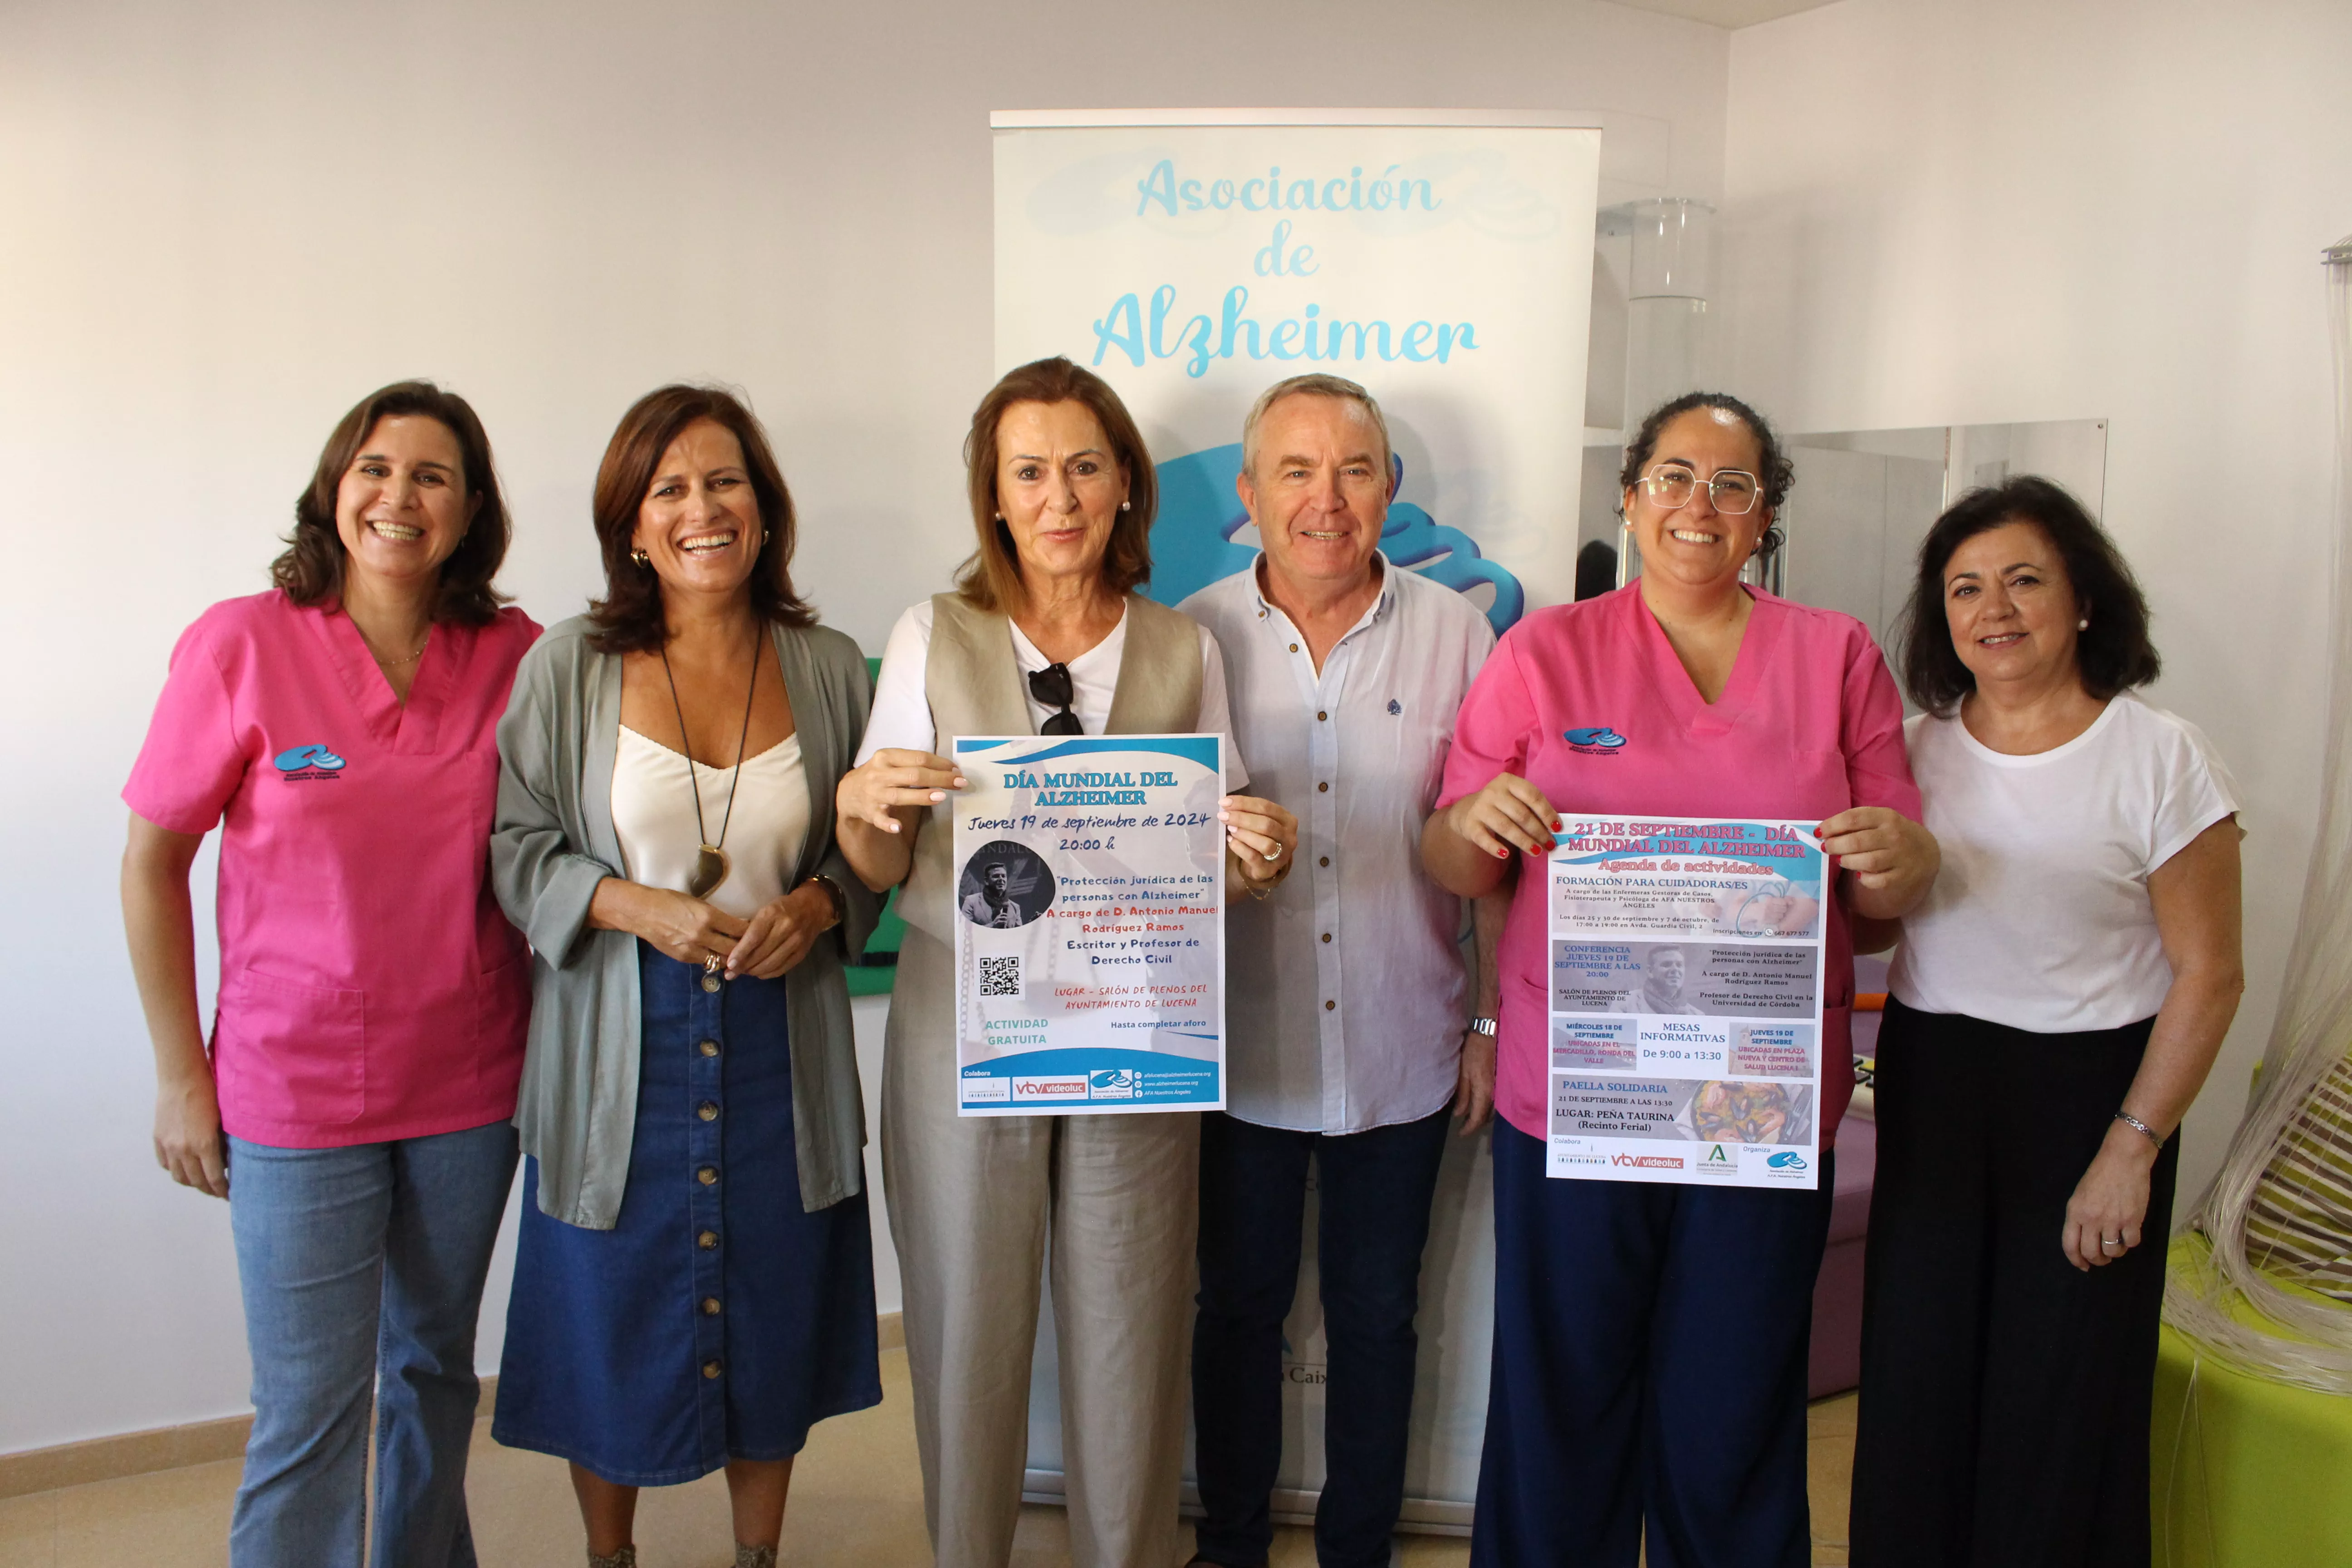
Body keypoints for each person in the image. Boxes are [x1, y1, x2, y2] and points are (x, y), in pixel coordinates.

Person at [1421, 391, 1941, 1568]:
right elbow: (1451, 857)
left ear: (1765, 518)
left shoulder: (1836, 656)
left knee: (1735, 1402)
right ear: (1630, 492)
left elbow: (1882, 905)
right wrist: (1475, 821)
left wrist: (1909, 863)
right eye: (1673, 476)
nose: (1698, 506)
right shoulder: (1546, 652)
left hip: (1756, 1101)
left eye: (1733, 485)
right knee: (1564, 1397)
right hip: (1580, 1097)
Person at [835, 355, 1299, 1568]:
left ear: (1125, 487)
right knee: (967, 1329)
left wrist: (1257, 852)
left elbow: (1223, 843)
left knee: (1131, 1328)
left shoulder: (1181, 646)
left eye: (1085, 467)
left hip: (1134, 1030)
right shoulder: (931, 634)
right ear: (992, 494)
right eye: (1029, 471)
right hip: (965, 1023)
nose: (1060, 497)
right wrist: (866, 804)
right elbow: (877, 865)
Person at [120, 381, 537, 1567]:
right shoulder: (241, 646)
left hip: (470, 1086)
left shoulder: (514, 654)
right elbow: (152, 866)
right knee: (310, 1407)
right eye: (376, 469)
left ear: (468, 511)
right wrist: (178, 1075)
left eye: (432, 476)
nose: (399, 497)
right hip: (295, 1098)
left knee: (434, 1375)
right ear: (334, 489)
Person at [488, 386, 883, 1568]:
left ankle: (756, 1553)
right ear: (631, 525)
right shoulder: (570, 665)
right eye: (670, 489)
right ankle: (612, 1557)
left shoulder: (825, 667)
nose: (702, 509)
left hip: (782, 1044)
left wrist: (818, 906)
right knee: (609, 1311)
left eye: (726, 483)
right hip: (618, 1048)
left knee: (773, 1306)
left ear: (764, 512)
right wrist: (629, 904)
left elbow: (868, 859)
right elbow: (516, 851)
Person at [1850, 477, 2244, 1568]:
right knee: (1917, 1374)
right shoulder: (1912, 751)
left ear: (2081, 600)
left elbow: (2209, 974)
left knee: (2059, 1393)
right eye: (1965, 586)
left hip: (2093, 1099)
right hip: (1936, 1079)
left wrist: (2131, 1146)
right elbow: (1875, 934)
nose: (1995, 606)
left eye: (2024, 578)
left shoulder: (2158, 754)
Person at [1173, 373, 1499, 1568]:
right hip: (1233, 1050)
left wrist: (1493, 1025)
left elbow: (1494, 844)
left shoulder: (1458, 631)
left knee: (1378, 1317)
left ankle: (1359, 1548)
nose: (1327, 499)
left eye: (1354, 470)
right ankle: (1235, 1545)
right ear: (1250, 495)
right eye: (1296, 472)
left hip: (1400, 1043)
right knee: (1236, 1314)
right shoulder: (1187, 635)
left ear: (1392, 491)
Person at [1610, 944, 1705, 1014]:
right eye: (1667, 965)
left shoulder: (1697, 1015)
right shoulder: (1625, 1004)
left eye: (1679, 965)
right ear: (1650, 971)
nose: (1675, 970)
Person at [960, 861, 1022, 927]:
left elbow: (1020, 934)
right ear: (986, 881)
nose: (1001, 879)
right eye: (996, 876)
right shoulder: (971, 902)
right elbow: (964, 930)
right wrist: (992, 925)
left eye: (1004, 876)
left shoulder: (1015, 907)